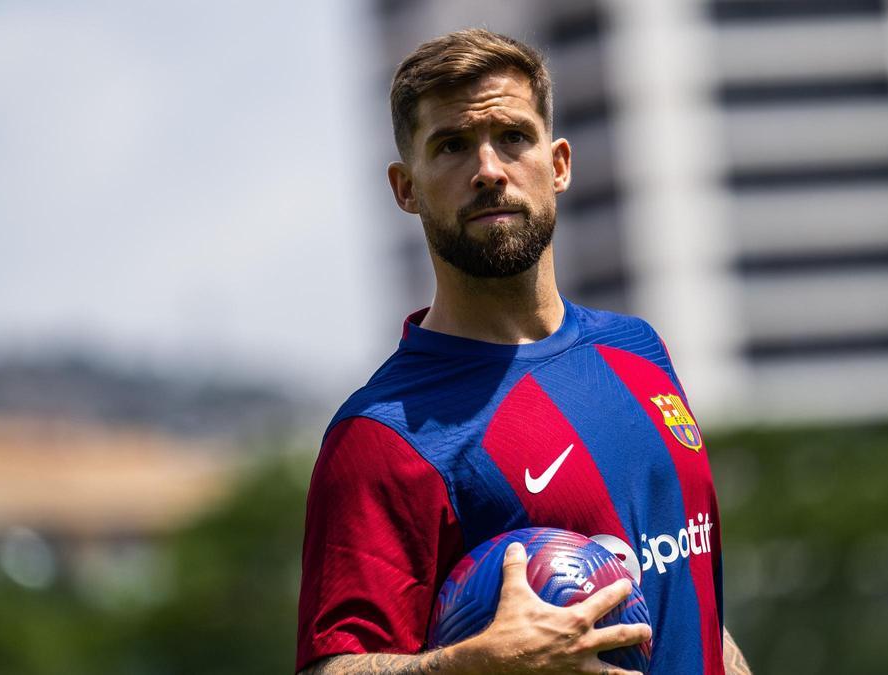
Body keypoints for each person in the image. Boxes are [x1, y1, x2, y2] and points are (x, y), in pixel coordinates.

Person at [296, 29, 751, 675]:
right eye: (451, 146)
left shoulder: (638, 350)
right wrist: (471, 665)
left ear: (559, 163)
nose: (488, 169)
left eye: (512, 136)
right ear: (406, 189)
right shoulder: (381, 436)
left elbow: (687, 595)